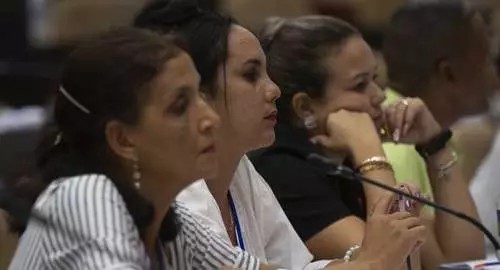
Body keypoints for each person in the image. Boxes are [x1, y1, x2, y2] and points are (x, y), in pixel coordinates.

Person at [134, 1, 427, 270]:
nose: (274, 90)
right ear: (198, 92)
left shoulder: (241, 171)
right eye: (251, 75)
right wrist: (373, 259)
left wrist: (375, 255)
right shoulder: (181, 191)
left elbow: (296, 268)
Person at [7, 27, 266, 270]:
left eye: (198, 95)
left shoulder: (171, 220)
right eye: (180, 106)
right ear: (122, 140)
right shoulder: (83, 197)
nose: (211, 119)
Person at [250, 14, 482, 270]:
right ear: (305, 107)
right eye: (360, 85)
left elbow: (463, 261)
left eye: (375, 79)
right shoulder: (282, 172)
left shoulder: (339, 159)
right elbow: (396, 264)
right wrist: (369, 152)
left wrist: (435, 144)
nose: (380, 96)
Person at [383, 0, 497, 265]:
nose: (494, 75)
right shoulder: (396, 146)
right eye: (486, 60)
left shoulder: (433, 136)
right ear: (449, 73)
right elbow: (453, 264)